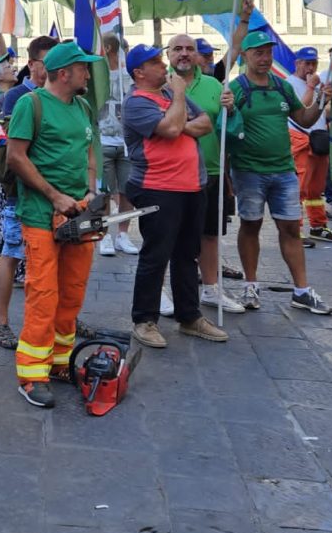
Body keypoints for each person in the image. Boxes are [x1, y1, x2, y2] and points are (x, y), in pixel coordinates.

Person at [6, 41, 100, 407]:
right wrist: (54, 195)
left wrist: (91, 193)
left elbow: (89, 152)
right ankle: (31, 374)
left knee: (72, 290)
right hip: (41, 214)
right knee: (43, 294)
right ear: (64, 73)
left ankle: (60, 362)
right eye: (83, 68)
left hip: (80, 213)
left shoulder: (83, 105)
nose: (88, 74)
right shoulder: (30, 105)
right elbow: (15, 157)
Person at [121, 45, 226, 348]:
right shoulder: (137, 101)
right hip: (157, 187)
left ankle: (189, 316)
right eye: (154, 62)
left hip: (192, 186)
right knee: (156, 255)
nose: (162, 65)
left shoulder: (167, 97)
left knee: (186, 254)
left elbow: (206, 122)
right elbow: (168, 128)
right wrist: (179, 97)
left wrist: (179, 122)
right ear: (139, 72)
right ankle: (144, 320)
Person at [228, 30, 332, 315]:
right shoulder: (236, 89)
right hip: (248, 171)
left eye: (268, 52)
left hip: (284, 170)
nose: (264, 58)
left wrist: (321, 101)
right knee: (251, 226)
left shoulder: (282, 87)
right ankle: (250, 285)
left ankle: (301, 290)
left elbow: (304, 119)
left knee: (290, 228)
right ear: (246, 55)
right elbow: (223, 130)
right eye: (258, 52)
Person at [166, 33, 245, 314]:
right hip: (172, 174)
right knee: (169, 235)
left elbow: (230, 128)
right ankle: (164, 290)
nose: (184, 54)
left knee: (210, 234)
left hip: (210, 170)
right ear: (168, 54)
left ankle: (211, 289)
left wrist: (231, 109)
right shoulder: (158, 84)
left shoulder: (214, 85)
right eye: (178, 49)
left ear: (199, 55)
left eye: (190, 49)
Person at [0, 35, 57, 348]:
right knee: (11, 252)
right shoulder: (15, 98)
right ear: (32, 65)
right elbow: (9, 153)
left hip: (55, 194)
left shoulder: (63, 97)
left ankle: (56, 315)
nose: (56, 68)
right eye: (48, 62)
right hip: (18, 192)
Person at [286, 47, 332, 244]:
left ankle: (318, 225)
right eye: (306, 63)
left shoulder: (317, 84)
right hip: (300, 139)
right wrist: (311, 88)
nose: (310, 67)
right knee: (299, 187)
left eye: (314, 63)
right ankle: (295, 228)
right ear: (297, 63)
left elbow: (322, 110)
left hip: (318, 139)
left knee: (316, 188)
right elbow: (299, 110)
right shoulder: (289, 83)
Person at [96, 33, 140, 258]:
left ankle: (123, 234)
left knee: (127, 191)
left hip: (126, 143)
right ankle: (103, 235)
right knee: (104, 192)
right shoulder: (97, 76)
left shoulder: (131, 78)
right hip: (102, 140)